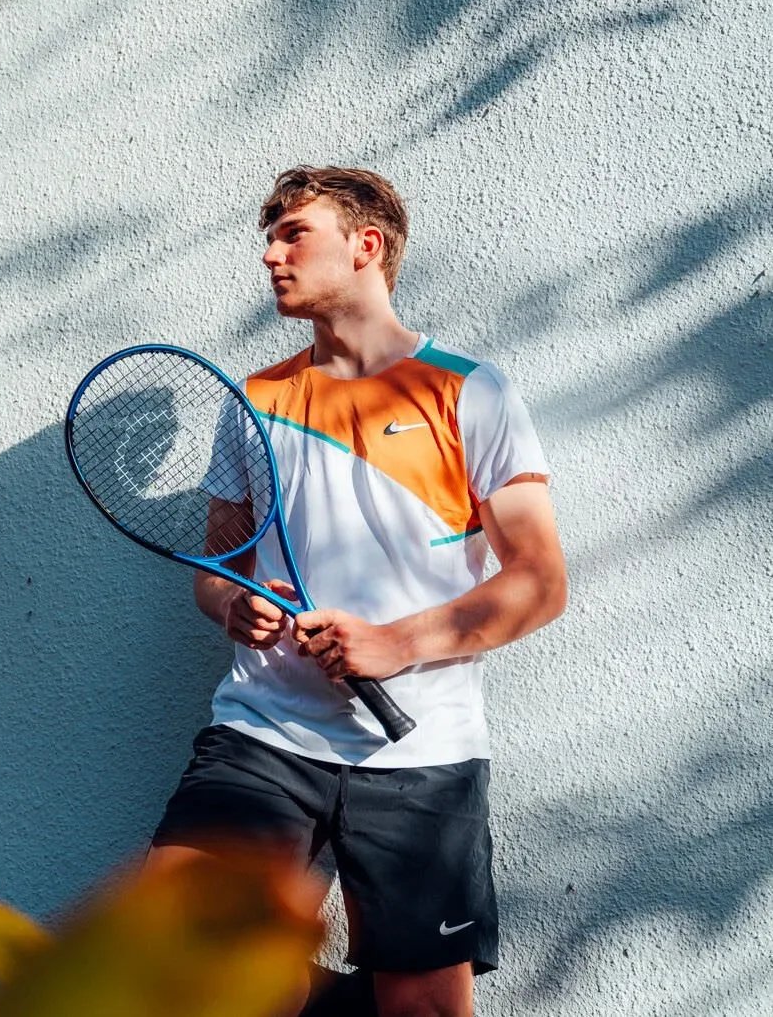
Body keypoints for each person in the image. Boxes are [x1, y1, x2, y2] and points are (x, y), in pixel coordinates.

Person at [147, 166, 569, 1017]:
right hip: (264, 736)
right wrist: (232, 603)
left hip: (422, 757)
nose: (270, 253)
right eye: (269, 235)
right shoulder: (253, 400)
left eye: (292, 232)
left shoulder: (469, 390)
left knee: (421, 1011)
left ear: (365, 245)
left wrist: (397, 642)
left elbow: (539, 580)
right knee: (172, 964)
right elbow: (214, 568)